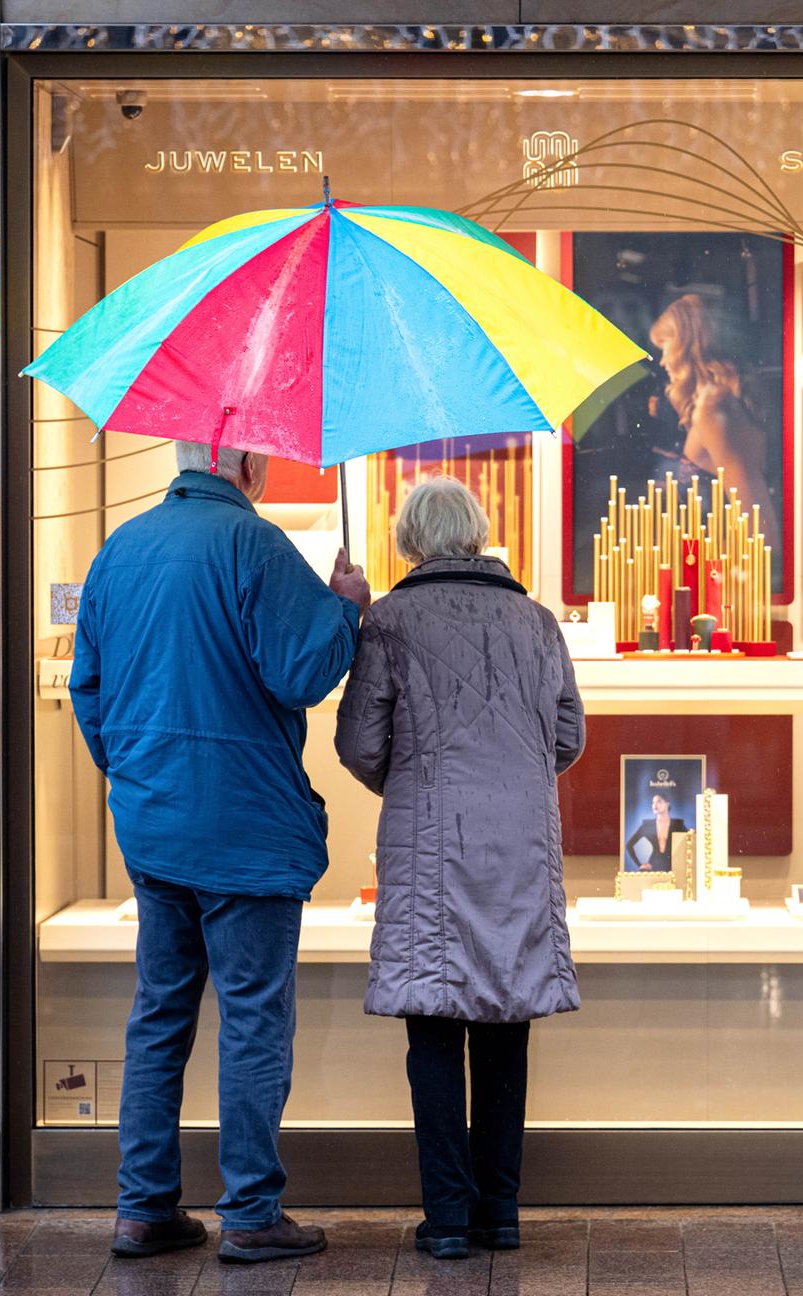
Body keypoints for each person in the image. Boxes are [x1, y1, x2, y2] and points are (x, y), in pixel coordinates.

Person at [70, 441, 370, 1265]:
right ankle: (250, 1213)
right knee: (253, 1017)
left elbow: (89, 690)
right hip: (246, 829)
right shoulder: (256, 545)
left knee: (159, 1015)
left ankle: (142, 1208)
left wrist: (138, 776)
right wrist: (347, 608)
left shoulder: (119, 549)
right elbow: (303, 674)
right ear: (244, 464)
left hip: (154, 826)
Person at [334, 476, 584, 1261]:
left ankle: (447, 1219)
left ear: (410, 540)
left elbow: (359, 744)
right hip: (519, 843)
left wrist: (413, 782)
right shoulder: (537, 621)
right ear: (476, 533)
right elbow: (568, 737)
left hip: (428, 848)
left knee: (435, 1027)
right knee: (506, 1026)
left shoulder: (389, 620)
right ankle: (500, 1212)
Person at [649, 293, 778, 553]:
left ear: (687, 347)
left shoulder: (715, 410)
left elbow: (763, 535)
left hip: (725, 568)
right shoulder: (715, 404)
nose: (662, 362)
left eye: (665, 348)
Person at [624, 792, 687, 872]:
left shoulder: (677, 824)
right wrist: (640, 864)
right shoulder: (647, 824)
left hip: (673, 866)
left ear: (667, 803)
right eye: (653, 802)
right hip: (653, 866)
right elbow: (629, 845)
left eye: (659, 801)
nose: (655, 805)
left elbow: (690, 840)